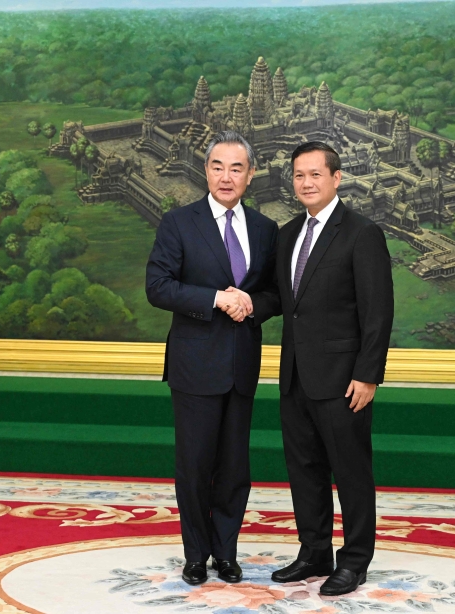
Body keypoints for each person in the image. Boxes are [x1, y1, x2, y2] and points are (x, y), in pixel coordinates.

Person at [252, 141, 394, 596]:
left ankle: (354, 561)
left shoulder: (361, 232)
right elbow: (283, 300)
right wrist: (244, 303)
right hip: (295, 375)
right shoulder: (288, 232)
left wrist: (368, 374)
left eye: (315, 174)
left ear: (336, 178)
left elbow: (378, 312)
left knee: (350, 472)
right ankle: (314, 552)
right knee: (304, 469)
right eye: (299, 175)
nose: (306, 183)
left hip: (344, 380)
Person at [145, 131, 279, 586]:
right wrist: (215, 299)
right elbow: (158, 286)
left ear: (250, 174)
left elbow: (274, 293)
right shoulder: (179, 223)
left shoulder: (264, 229)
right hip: (194, 364)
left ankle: (226, 552)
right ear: (205, 170)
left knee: (235, 468)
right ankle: (196, 555)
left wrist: (251, 304)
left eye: (236, 168)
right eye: (218, 166)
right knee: (196, 465)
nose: (227, 176)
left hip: (241, 366)